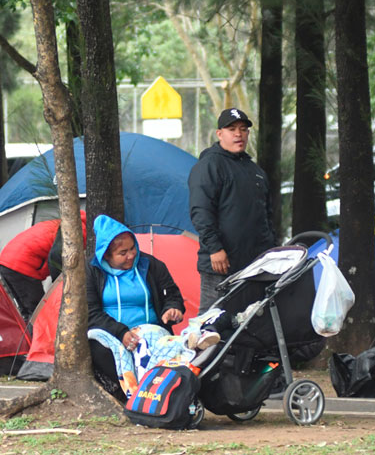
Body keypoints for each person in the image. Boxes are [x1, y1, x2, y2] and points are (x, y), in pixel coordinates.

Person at [86, 214, 188, 398]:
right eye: (122, 253)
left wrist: (172, 308)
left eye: (132, 248)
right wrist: (121, 332)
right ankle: (128, 394)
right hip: (112, 334)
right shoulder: (92, 272)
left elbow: (172, 294)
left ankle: (157, 395)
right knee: (100, 350)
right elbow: (91, 312)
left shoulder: (150, 265)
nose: (131, 255)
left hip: (151, 332)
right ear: (106, 255)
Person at [188, 107, 276, 313]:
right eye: (232, 129)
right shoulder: (209, 165)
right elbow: (201, 211)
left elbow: (267, 215)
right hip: (221, 266)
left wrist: (271, 251)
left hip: (256, 267)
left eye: (243, 129)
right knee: (210, 326)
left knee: (251, 324)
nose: (239, 134)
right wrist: (215, 248)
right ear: (220, 134)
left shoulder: (255, 171)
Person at [0, 210, 86, 321]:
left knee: (28, 311)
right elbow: (55, 257)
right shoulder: (79, 230)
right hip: (21, 265)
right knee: (38, 314)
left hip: (6, 261)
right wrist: (59, 288)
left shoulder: (65, 223)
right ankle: (36, 337)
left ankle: (28, 337)